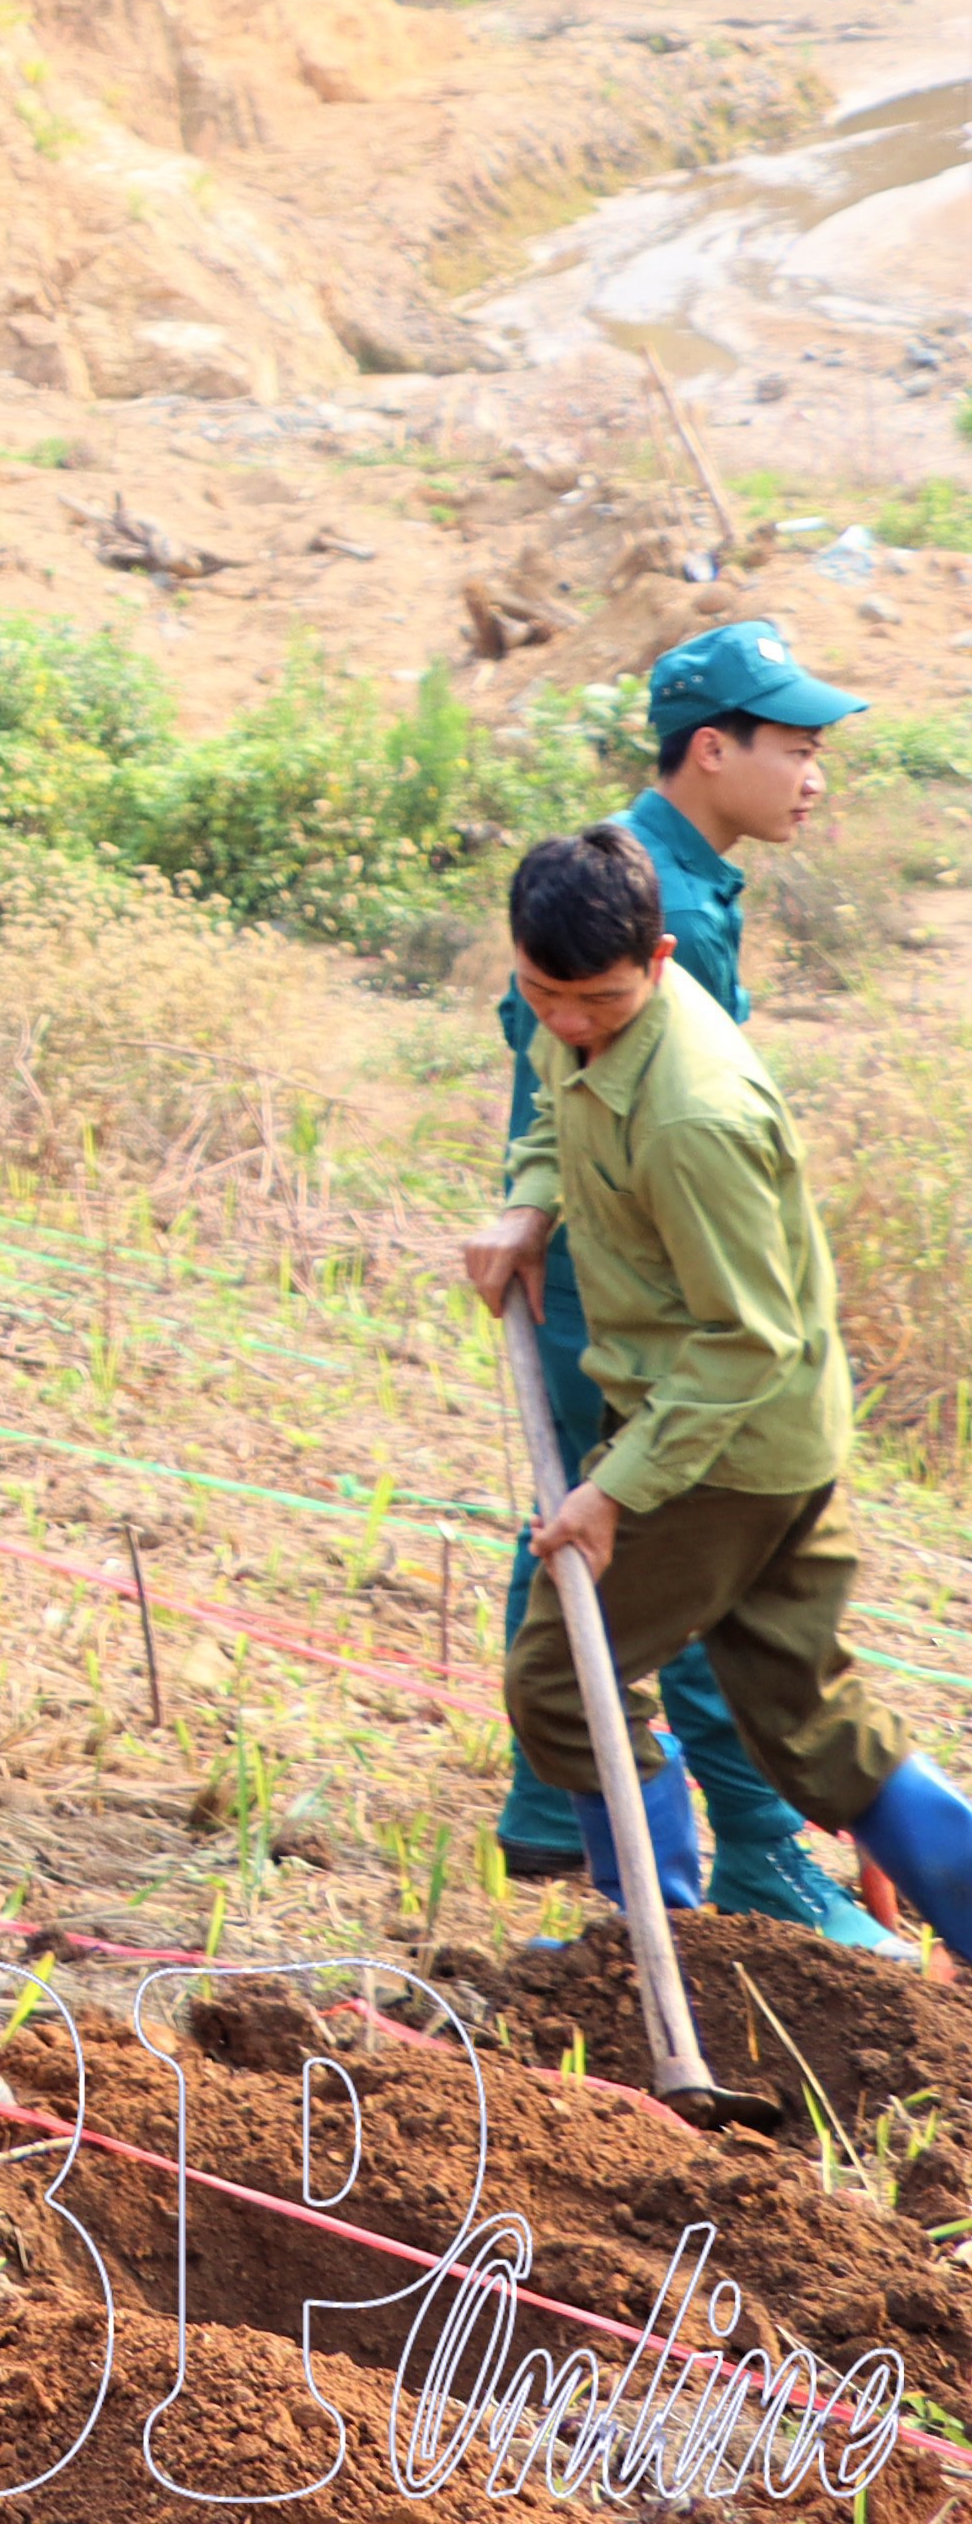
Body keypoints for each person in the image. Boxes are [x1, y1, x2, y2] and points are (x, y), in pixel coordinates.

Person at [468, 822, 972, 1958]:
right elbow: (556, 1105)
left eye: (595, 999)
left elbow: (746, 1341)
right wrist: (527, 1203)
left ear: (657, 964)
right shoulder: (577, 1023)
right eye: (543, 993)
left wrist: (611, 1492)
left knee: (559, 1675)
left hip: (723, 1442)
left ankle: (656, 1945)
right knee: (807, 1719)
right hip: (759, 1429)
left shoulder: (695, 1114)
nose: (566, 1022)